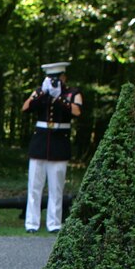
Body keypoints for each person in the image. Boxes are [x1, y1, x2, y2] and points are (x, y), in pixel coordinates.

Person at [22, 61, 82, 233]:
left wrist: (60, 98)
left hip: (59, 144)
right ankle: (31, 224)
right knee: (34, 186)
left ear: (64, 77)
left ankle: (54, 223)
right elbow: (25, 108)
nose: (55, 81)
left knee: (56, 187)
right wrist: (41, 93)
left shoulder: (72, 93)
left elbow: (77, 111)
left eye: (58, 78)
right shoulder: (41, 92)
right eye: (51, 78)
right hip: (40, 143)